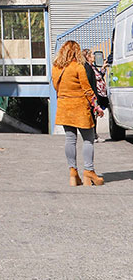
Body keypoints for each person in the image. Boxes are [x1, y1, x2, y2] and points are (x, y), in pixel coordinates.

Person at [53, 40, 104, 186]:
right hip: (80, 108)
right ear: (76, 52)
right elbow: (88, 90)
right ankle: (89, 172)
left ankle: (73, 173)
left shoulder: (56, 68)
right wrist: (97, 107)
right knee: (88, 139)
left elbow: (56, 87)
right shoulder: (78, 67)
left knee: (70, 140)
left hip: (64, 108)